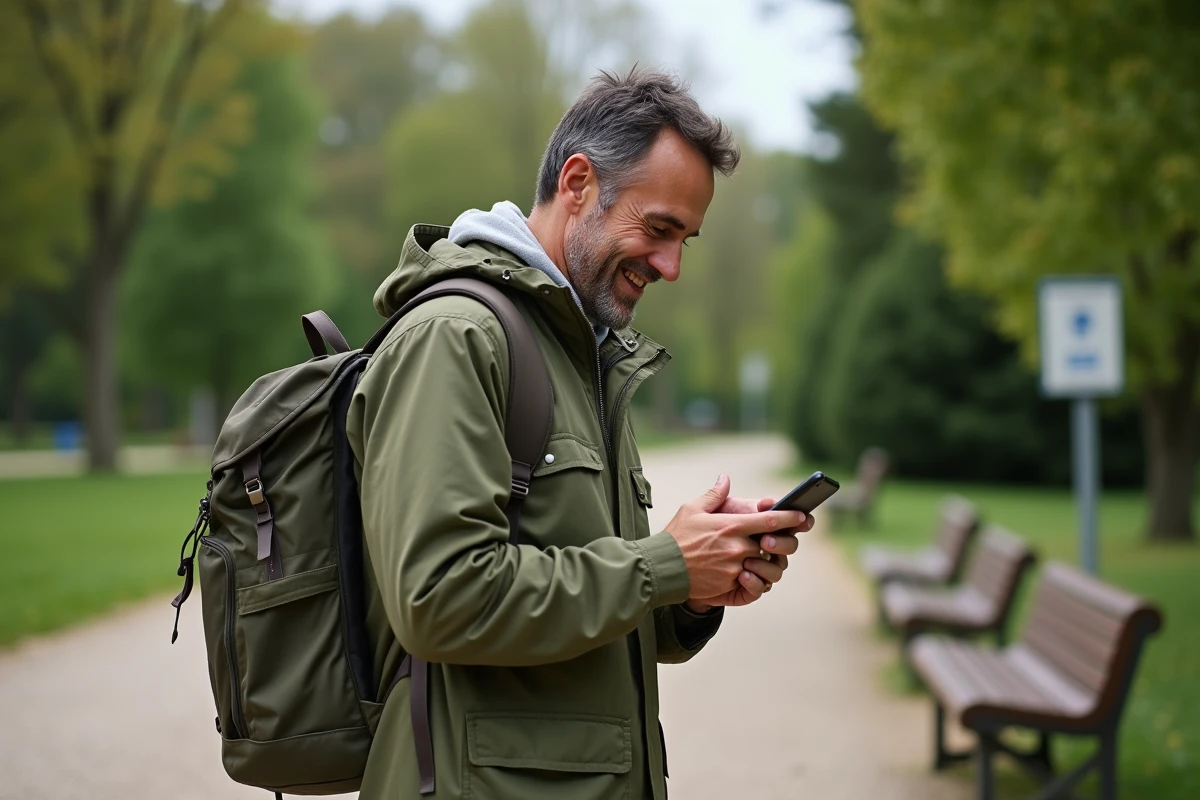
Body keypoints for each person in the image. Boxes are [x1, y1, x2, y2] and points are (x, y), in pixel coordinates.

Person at [346, 66, 812, 800]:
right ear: (577, 184)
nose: (672, 266)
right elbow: (438, 600)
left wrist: (696, 589)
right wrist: (663, 564)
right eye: (659, 230)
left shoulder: (586, 353)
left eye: (685, 239)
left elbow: (599, 611)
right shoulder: (456, 337)